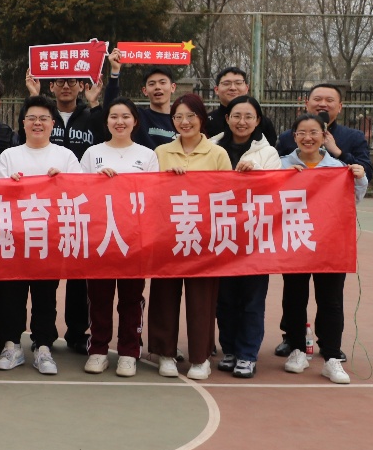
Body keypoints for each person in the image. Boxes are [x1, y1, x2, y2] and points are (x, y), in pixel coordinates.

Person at [272, 82, 372, 359]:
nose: (323, 104)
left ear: (340, 106)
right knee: (294, 292)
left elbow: (361, 180)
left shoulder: (347, 147)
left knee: (330, 295)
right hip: (295, 231)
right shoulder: (283, 150)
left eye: (329, 100)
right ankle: (293, 341)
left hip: (330, 235)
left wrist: (342, 157)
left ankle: (330, 347)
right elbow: (267, 184)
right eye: (317, 99)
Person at [0, 95, 83, 375]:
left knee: (45, 295)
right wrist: (10, 186)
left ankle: (43, 347)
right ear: (23, 123)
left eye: (43, 118)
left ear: (53, 123)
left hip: (50, 239)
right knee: (12, 295)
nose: (37, 123)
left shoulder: (65, 157)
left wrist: (62, 182)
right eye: (31, 118)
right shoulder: (9, 156)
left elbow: (79, 194)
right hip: (15, 239)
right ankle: (12, 345)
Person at [25, 61, 111, 354]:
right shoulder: (41, 116)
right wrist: (33, 95)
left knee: (77, 276)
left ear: (81, 86)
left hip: (76, 206)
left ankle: (77, 332)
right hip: (39, 209)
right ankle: (42, 335)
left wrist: (96, 103)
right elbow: (28, 136)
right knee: (42, 275)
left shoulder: (90, 116)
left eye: (72, 81)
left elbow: (106, 138)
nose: (66, 86)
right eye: (60, 81)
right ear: (51, 86)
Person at [147, 93, 232, 380]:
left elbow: (227, 195)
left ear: (201, 118)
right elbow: (149, 194)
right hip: (168, 236)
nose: (185, 122)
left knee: (201, 299)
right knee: (164, 295)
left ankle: (200, 357)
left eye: (190, 116)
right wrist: (166, 181)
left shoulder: (217, 154)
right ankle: (165, 353)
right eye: (178, 117)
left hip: (203, 237)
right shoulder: (161, 152)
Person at [79, 97, 159, 377]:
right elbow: (78, 192)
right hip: (100, 235)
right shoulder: (93, 153)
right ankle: (98, 349)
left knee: (131, 297)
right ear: (106, 121)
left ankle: (128, 352)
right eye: (114, 116)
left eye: (126, 116)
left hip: (133, 238)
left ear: (135, 121)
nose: (120, 122)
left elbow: (154, 195)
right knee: (99, 296)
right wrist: (96, 181)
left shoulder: (147, 155)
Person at [209, 95, 280, 378]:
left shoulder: (268, 152)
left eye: (249, 116)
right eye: (236, 116)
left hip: (254, 237)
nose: (242, 121)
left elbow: (275, 189)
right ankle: (229, 349)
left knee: (252, 299)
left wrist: (256, 173)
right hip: (220, 234)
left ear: (258, 120)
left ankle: (247, 354)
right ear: (227, 118)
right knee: (224, 298)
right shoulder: (211, 147)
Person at [206, 67, 278, 145]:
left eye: (238, 83)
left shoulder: (263, 123)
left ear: (246, 88)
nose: (233, 88)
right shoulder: (206, 122)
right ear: (216, 89)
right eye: (226, 83)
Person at [134, 66, 179, 148]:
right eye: (152, 84)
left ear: (173, 87)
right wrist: (115, 73)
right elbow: (112, 109)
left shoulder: (181, 120)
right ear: (145, 91)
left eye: (162, 82)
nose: (157, 87)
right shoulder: (137, 117)